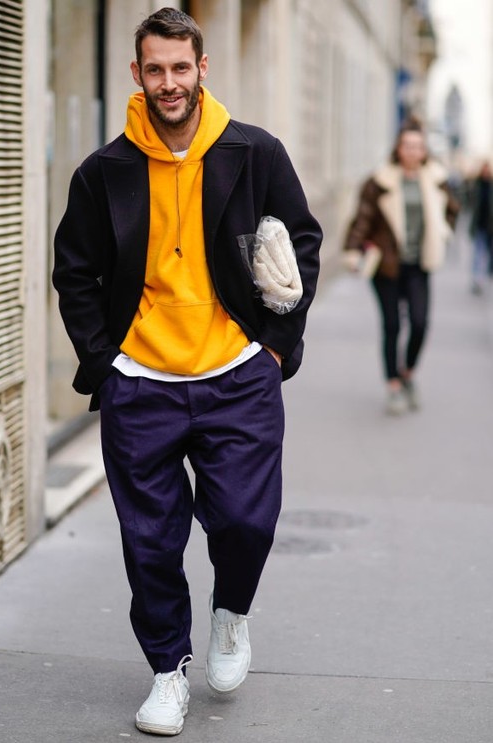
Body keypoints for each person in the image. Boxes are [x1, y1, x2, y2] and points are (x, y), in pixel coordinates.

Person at [53, 7, 321, 737]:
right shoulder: (103, 172)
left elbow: (301, 239)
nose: (169, 83)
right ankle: (166, 669)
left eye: (181, 67)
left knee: (244, 519)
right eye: (155, 69)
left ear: (203, 68)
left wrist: (273, 346)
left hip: (237, 371)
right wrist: (104, 364)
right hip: (141, 381)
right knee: (150, 538)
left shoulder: (254, 153)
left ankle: (230, 612)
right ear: (136, 74)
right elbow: (74, 275)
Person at [343, 118, 458, 416]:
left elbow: (452, 209)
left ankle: (407, 374)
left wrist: (443, 232)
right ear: (399, 148)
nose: (412, 150)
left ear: (424, 151)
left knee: (420, 323)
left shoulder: (436, 178)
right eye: (407, 145)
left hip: (420, 263)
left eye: (418, 146)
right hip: (387, 265)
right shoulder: (380, 181)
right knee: (392, 325)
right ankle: (393, 385)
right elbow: (362, 219)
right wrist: (354, 250)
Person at [468, 160, 493, 294]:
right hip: (480, 225)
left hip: (491, 226)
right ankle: (478, 279)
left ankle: (487, 273)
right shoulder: (476, 185)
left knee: (489, 253)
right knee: (478, 253)